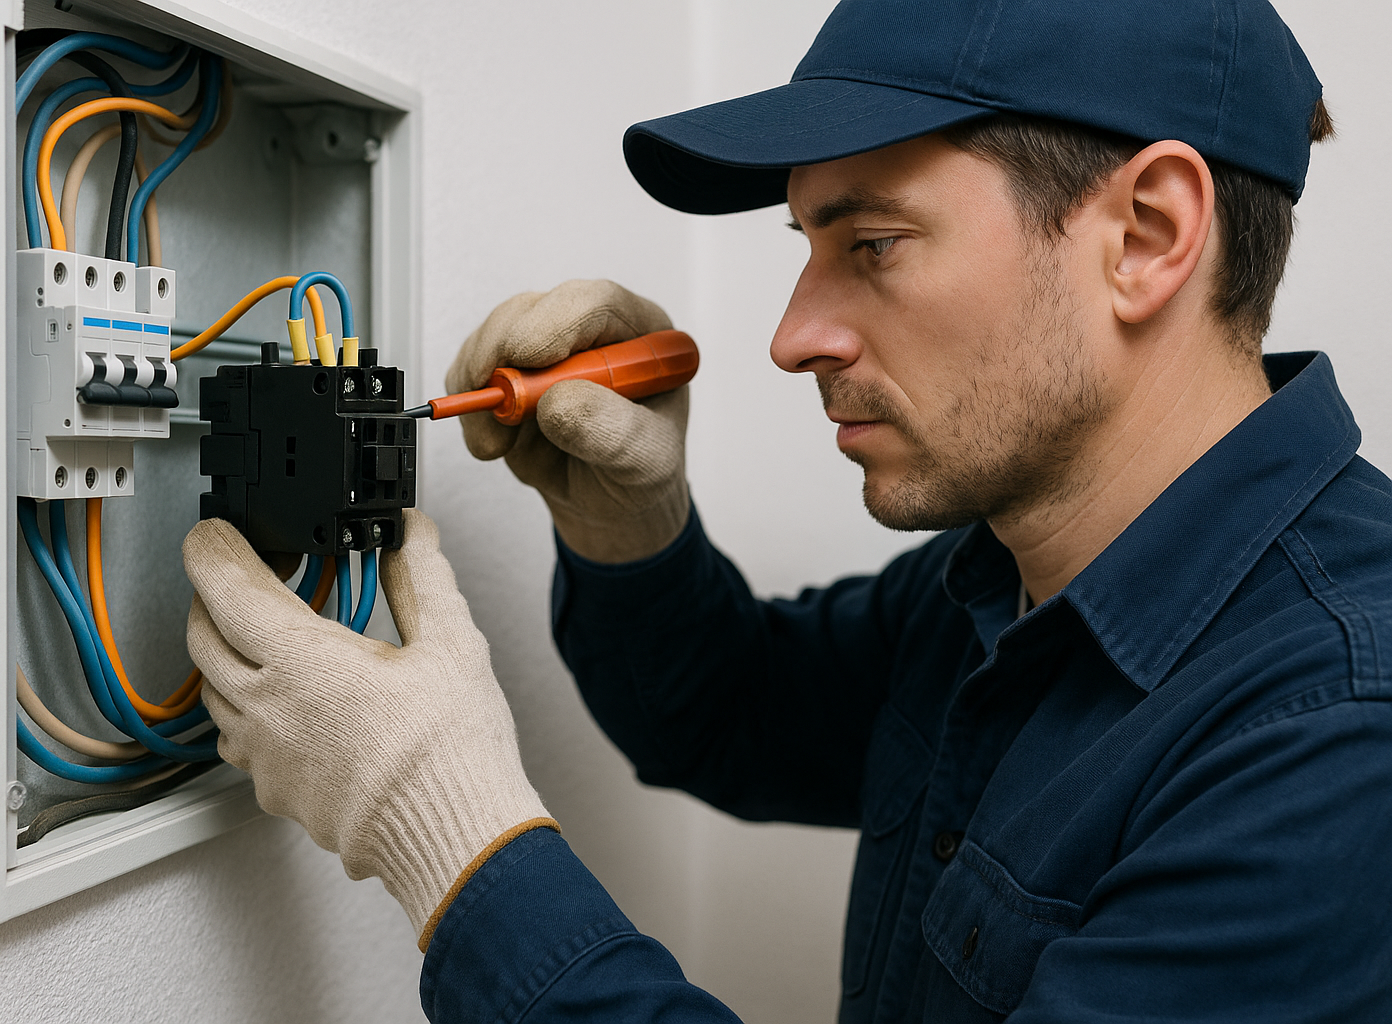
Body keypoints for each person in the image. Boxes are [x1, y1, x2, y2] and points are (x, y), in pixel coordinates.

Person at [182, 0, 1392, 1019]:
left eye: (873, 243)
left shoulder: (1336, 742)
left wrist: (435, 820)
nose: (787, 337)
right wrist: (631, 527)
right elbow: (733, 716)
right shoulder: (1011, 568)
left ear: (1147, 234)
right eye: (806, 243)